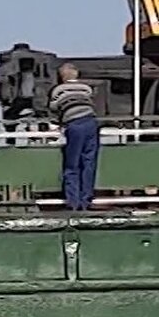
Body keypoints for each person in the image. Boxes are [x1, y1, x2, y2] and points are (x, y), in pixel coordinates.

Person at [48, 63, 100, 211]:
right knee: (89, 162)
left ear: (62, 76)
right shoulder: (86, 88)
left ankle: (73, 202)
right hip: (91, 123)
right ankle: (86, 200)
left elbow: (54, 108)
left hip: (74, 125)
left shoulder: (58, 90)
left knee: (72, 164)